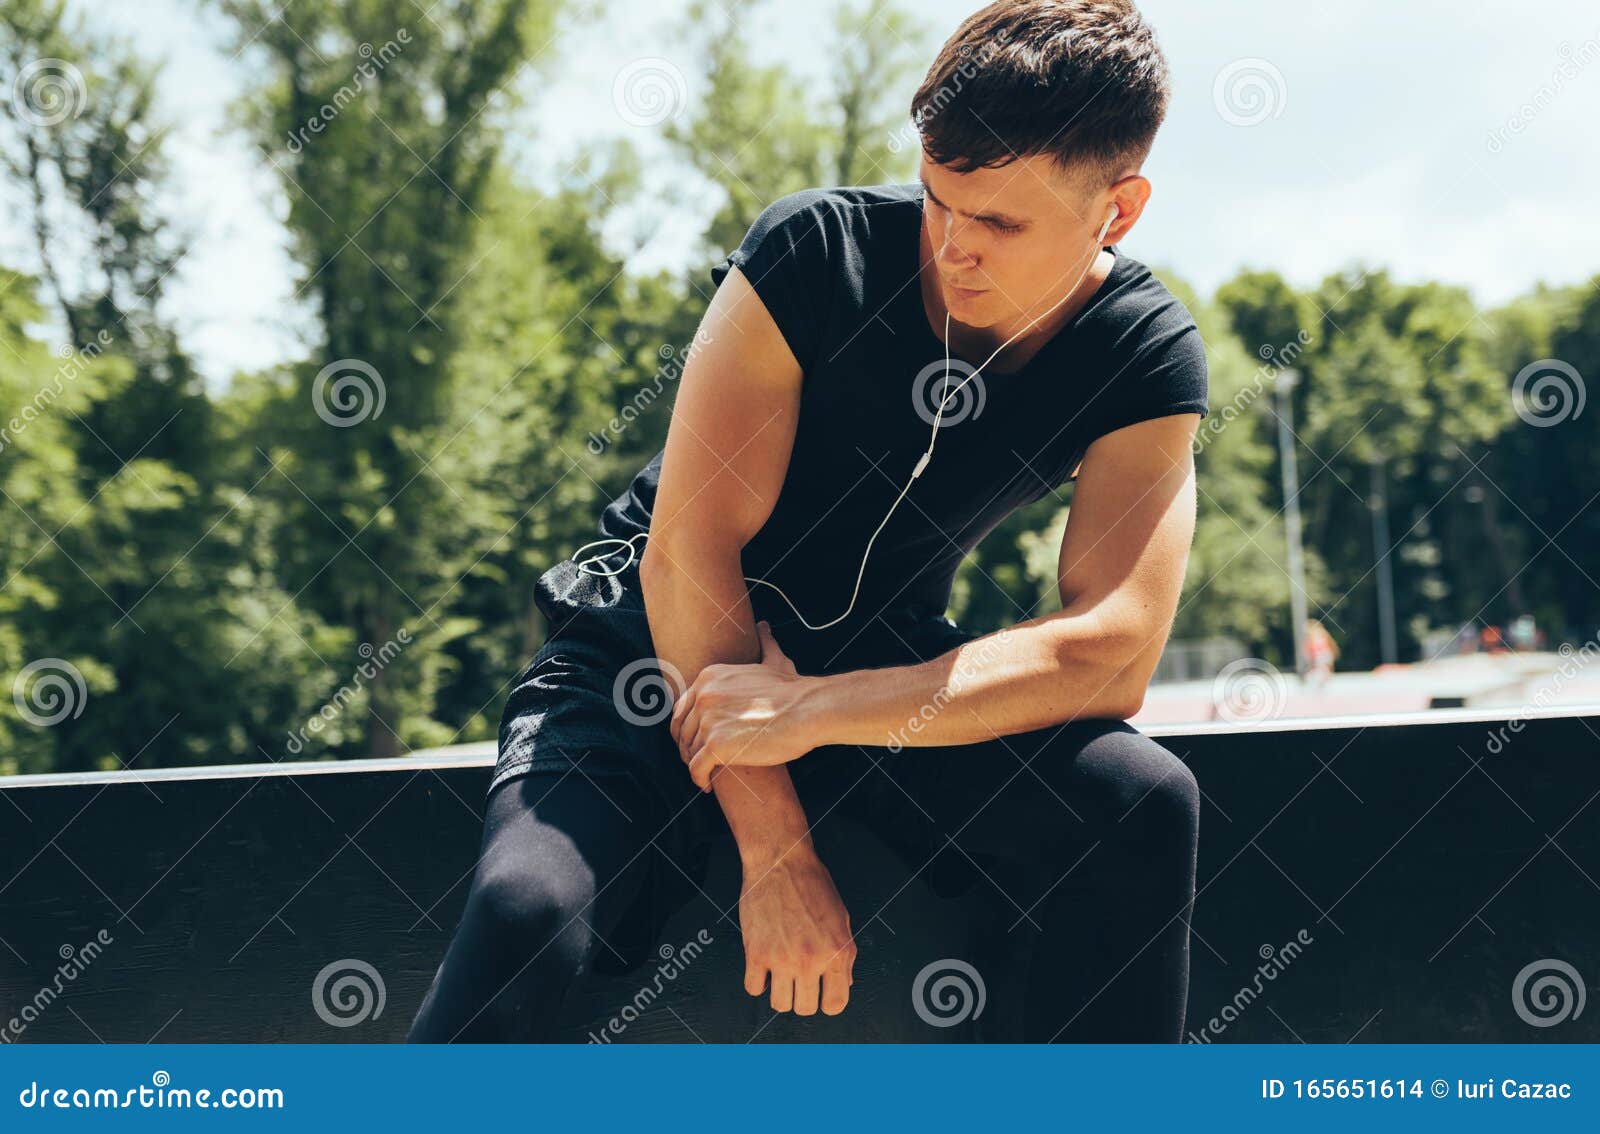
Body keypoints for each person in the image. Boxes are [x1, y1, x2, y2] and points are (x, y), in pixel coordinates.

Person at [408, 0, 1206, 1044]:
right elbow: (689, 551)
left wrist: (817, 709)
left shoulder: (1141, 351)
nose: (953, 247)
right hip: (650, 649)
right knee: (527, 906)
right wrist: (775, 846)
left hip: (871, 675)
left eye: (999, 223)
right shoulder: (812, 250)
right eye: (937, 200)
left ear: (1119, 209)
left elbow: (1111, 654)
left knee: (1141, 802)